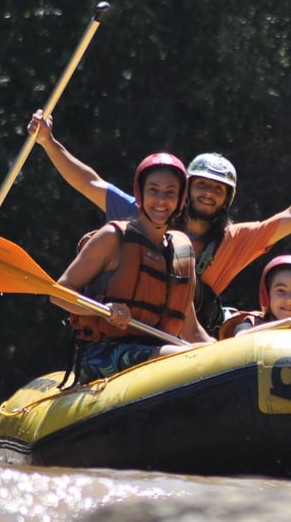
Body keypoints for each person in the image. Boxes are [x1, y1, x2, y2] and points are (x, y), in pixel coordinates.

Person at [28, 110, 291, 334]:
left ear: (228, 199)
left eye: (218, 190)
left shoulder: (235, 239)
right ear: (186, 190)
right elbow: (89, 182)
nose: (208, 194)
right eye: (201, 186)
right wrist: (48, 142)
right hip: (129, 326)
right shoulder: (149, 212)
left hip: (189, 331)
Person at [52, 152, 212, 384]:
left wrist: (228, 352)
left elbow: (192, 331)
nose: (161, 200)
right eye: (153, 190)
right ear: (140, 194)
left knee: (201, 357)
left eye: (170, 193)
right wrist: (103, 309)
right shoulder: (113, 238)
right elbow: (58, 294)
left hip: (159, 351)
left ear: (179, 201)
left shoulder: (181, 251)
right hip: (102, 354)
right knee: (183, 358)